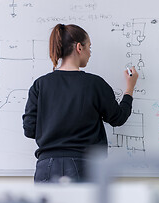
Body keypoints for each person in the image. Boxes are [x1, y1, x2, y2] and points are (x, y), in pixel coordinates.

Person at [22, 24, 138, 183]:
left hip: (46, 168)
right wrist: (130, 88)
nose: (90, 53)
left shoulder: (40, 85)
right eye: (89, 47)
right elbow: (118, 118)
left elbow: (29, 130)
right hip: (85, 167)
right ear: (79, 47)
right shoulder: (94, 84)